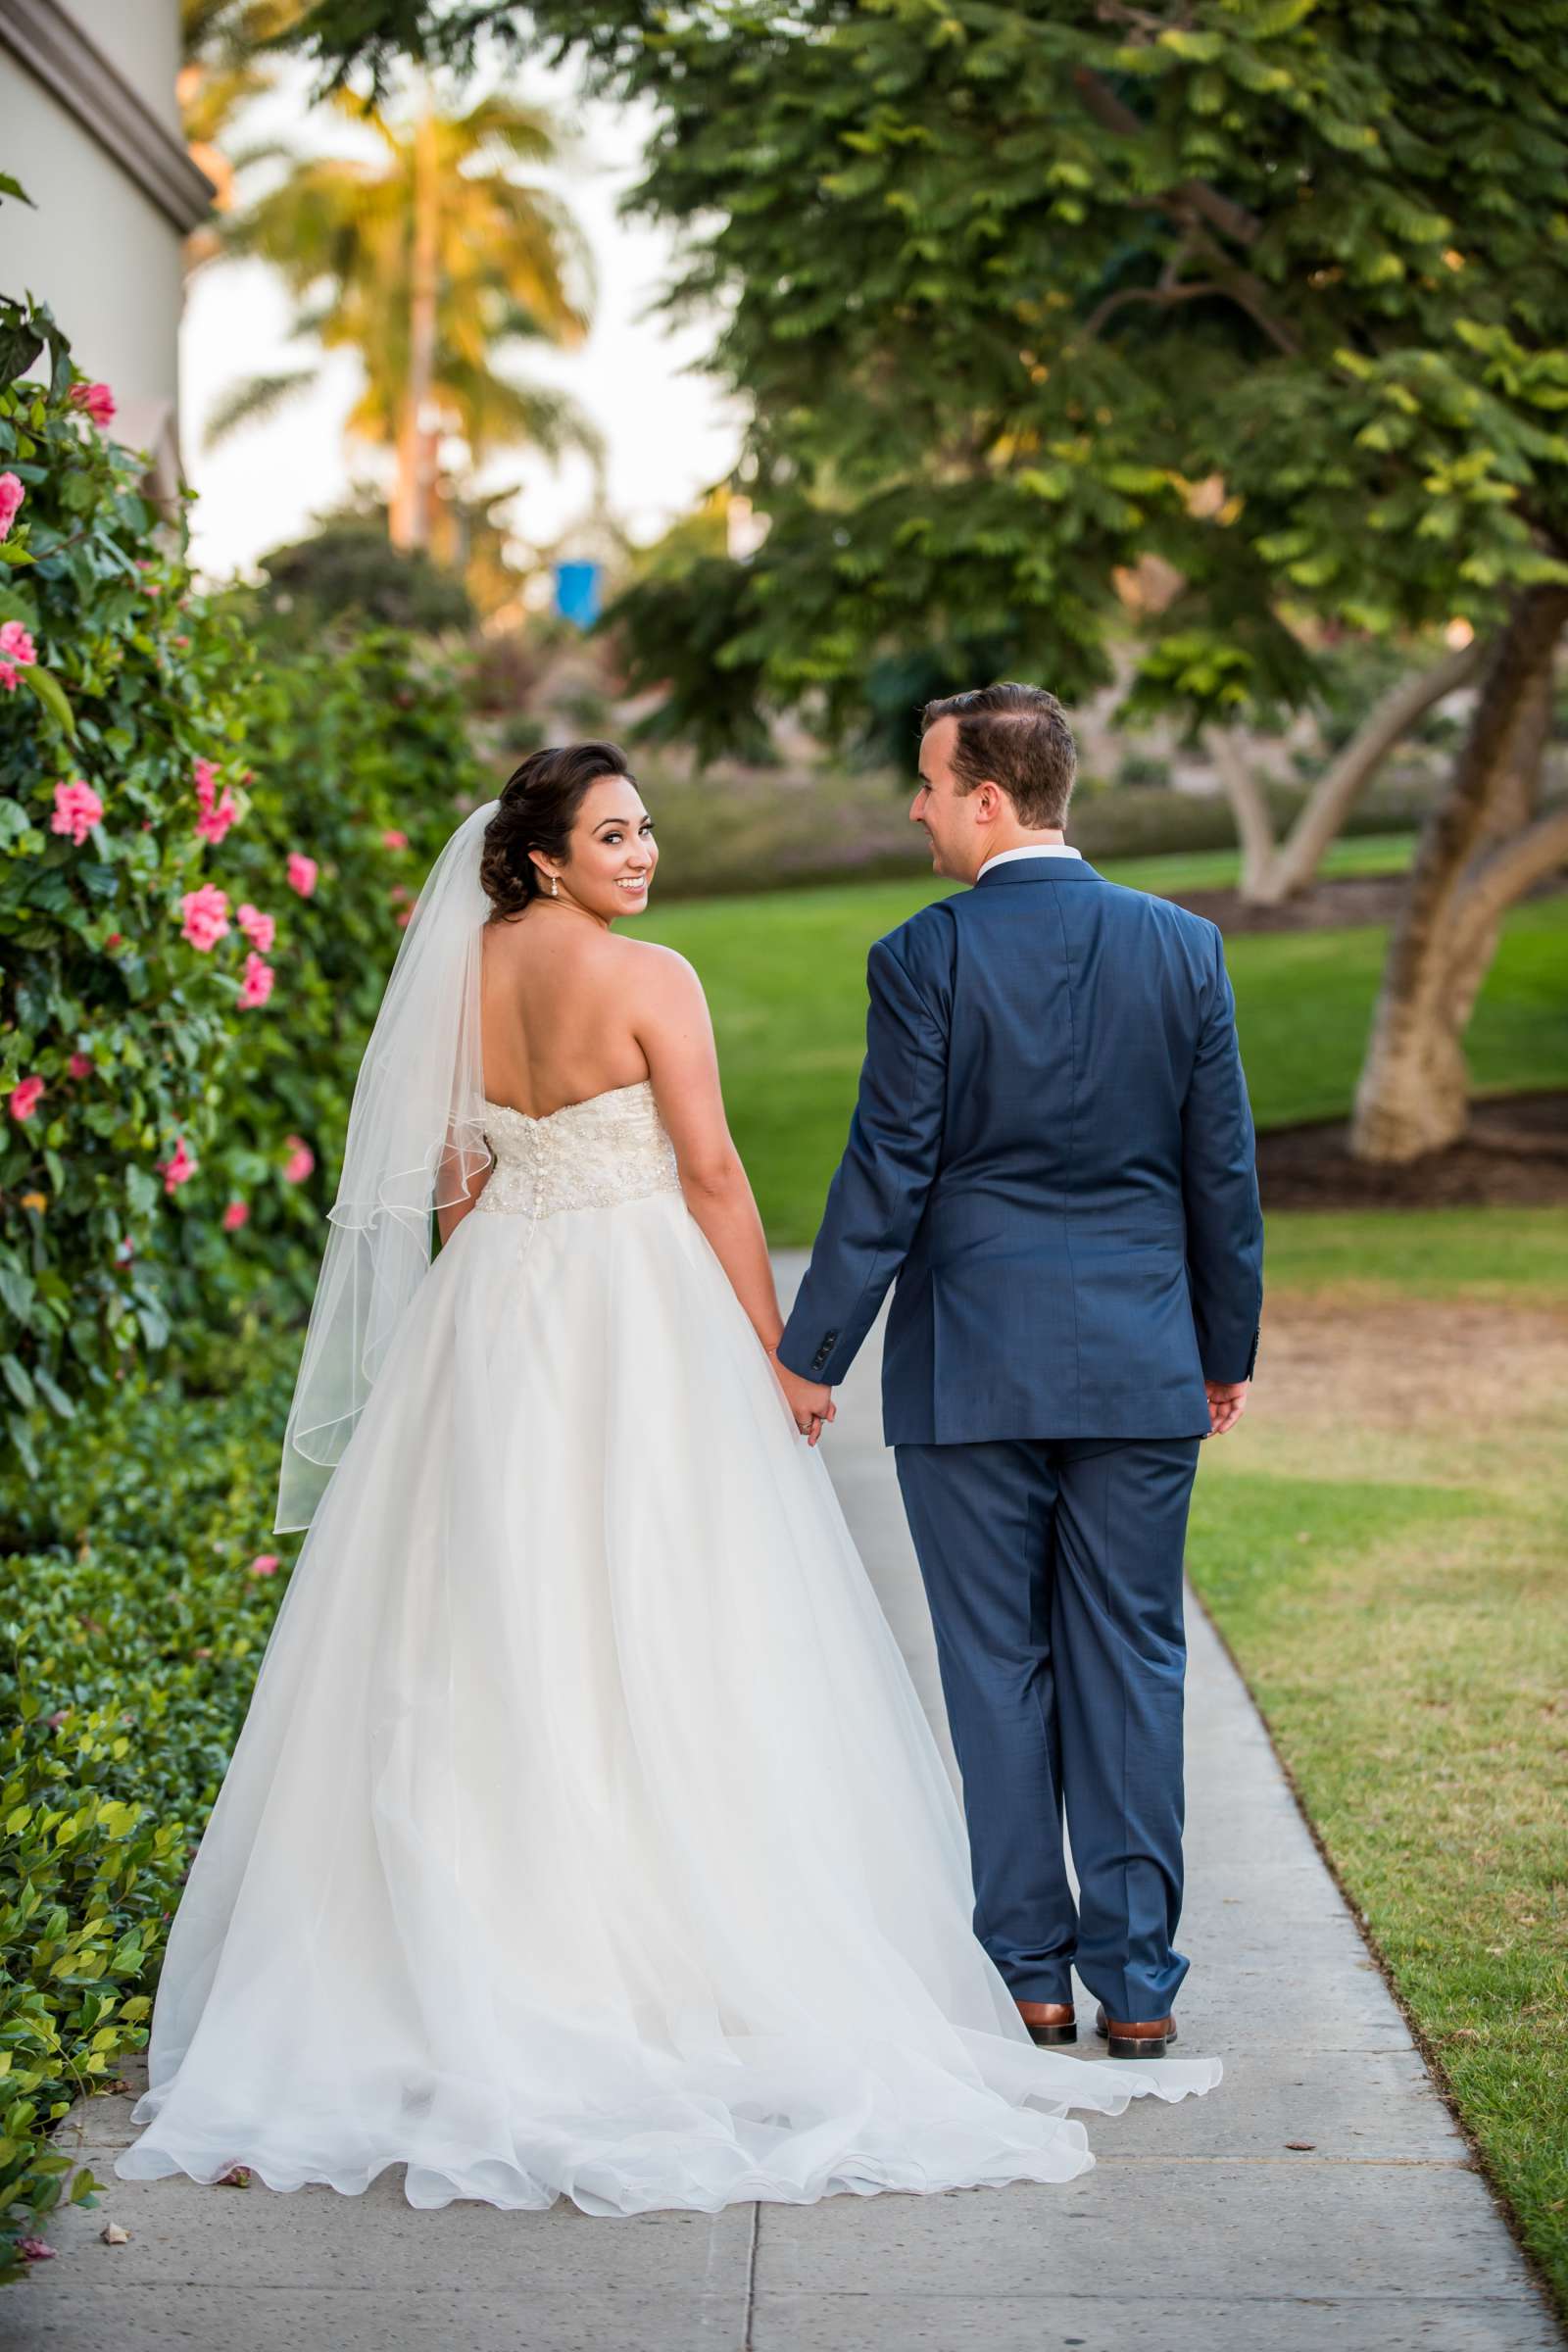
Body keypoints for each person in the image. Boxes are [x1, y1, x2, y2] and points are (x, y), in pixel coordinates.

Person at [113, 739, 1220, 2221]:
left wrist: (487, 1313)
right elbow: (710, 1173)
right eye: (615, 835)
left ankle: (484, 1952)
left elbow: (451, 1185)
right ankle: (766, 1959)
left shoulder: (455, 970)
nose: (642, 855)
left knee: (485, 1630)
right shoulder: (658, 981)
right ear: (545, 853)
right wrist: (778, 1348)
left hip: (495, 1318)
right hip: (638, 1313)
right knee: (669, 1614)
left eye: (648, 832)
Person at [775, 682, 1264, 2062]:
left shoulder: (923, 956)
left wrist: (813, 1355)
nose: (915, 807)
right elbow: (1218, 1178)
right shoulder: (1185, 950)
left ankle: (1028, 1976)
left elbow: (888, 1171)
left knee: (996, 1668)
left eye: (929, 783)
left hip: (972, 1371)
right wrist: (1221, 1351)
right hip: (1137, 1363)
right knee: (1135, 1660)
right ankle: (1142, 1984)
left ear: (991, 797)